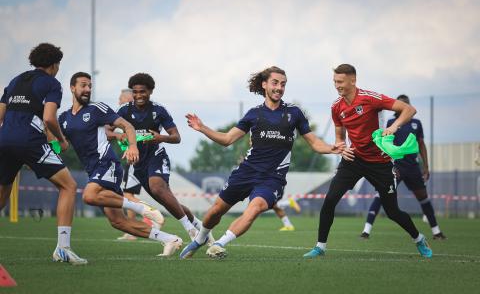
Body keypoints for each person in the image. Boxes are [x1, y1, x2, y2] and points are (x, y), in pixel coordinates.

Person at [180, 66, 343, 259]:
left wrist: (331, 148)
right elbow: (227, 140)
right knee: (216, 210)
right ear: (264, 84)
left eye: (283, 84)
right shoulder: (253, 114)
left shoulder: (294, 113)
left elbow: (314, 142)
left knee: (255, 208)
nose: (279, 88)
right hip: (246, 171)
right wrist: (202, 127)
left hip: (272, 178)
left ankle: (219, 244)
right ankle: (200, 239)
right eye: (275, 83)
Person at [303, 64, 433, 259]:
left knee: (392, 211)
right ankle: (320, 247)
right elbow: (340, 135)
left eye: (340, 82)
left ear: (352, 80)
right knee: (330, 199)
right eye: (334, 82)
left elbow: (409, 109)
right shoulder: (336, 107)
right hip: (353, 159)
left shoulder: (371, 98)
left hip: (380, 162)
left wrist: (395, 126)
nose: (336, 86)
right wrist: (341, 147)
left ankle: (418, 238)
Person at [57, 72, 182, 256]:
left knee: (88, 196)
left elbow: (128, 126)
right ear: (72, 88)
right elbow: (62, 145)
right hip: (93, 170)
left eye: (90, 86)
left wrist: (132, 146)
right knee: (118, 222)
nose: (87, 89)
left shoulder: (97, 109)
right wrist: (43, 153)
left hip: (106, 164)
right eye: (83, 85)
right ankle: (169, 239)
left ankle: (142, 208)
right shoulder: (64, 118)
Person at [0, 43, 87, 265]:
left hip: (5, 139)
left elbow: (0, 114)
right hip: (29, 141)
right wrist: (61, 139)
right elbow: (49, 118)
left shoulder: (16, 80)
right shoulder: (52, 83)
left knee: (3, 190)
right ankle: (63, 248)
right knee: (68, 186)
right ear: (54, 64)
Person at [107, 73, 211, 242]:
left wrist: (160, 137)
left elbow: (176, 137)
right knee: (168, 201)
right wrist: (119, 136)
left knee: (157, 188)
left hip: (156, 156)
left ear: (150, 91)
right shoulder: (124, 110)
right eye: (135, 92)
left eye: (143, 91)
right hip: (137, 163)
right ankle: (199, 226)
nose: (139, 95)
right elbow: (106, 130)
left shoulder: (158, 110)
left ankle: (191, 230)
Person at [360, 94, 446, 240]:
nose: (404, 104)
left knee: (423, 197)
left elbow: (421, 144)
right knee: (381, 194)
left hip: (412, 167)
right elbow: (386, 143)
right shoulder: (391, 122)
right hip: (396, 167)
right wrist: (386, 162)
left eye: (406, 103)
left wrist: (426, 166)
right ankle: (366, 231)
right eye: (401, 103)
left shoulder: (416, 123)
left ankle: (436, 232)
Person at [115, 88, 162, 241]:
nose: (119, 102)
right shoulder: (125, 118)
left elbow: (142, 138)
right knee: (128, 194)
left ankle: (151, 215)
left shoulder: (133, 118)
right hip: (133, 159)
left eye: (121, 99)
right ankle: (134, 228)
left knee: (127, 194)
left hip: (138, 161)